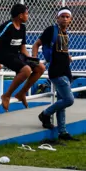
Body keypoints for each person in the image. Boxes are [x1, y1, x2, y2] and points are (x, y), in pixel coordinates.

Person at [0, 3, 45, 111]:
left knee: (40, 67)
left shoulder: (23, 28)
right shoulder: (8, 26)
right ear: (20, 15)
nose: (28, 16)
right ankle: (7, 95)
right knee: (26, 70)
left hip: (17, 55)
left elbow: (23, 47)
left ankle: (22, 93)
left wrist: (31, 60)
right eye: (26, 14)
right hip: (4, 55)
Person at [32, 8, 77, 141]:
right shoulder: (51, 30)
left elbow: (61, 49)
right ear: (57, 18)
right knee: (69, 100)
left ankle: (62, 131)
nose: (64, 18)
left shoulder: (65, 33)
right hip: (56, 71)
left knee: (61, 101)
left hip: (66, 70)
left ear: (70, 19)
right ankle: (45, 114)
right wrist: (34, 60)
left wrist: (67, 55)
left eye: (67, 17)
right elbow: (36, 45)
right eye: (62, 16)